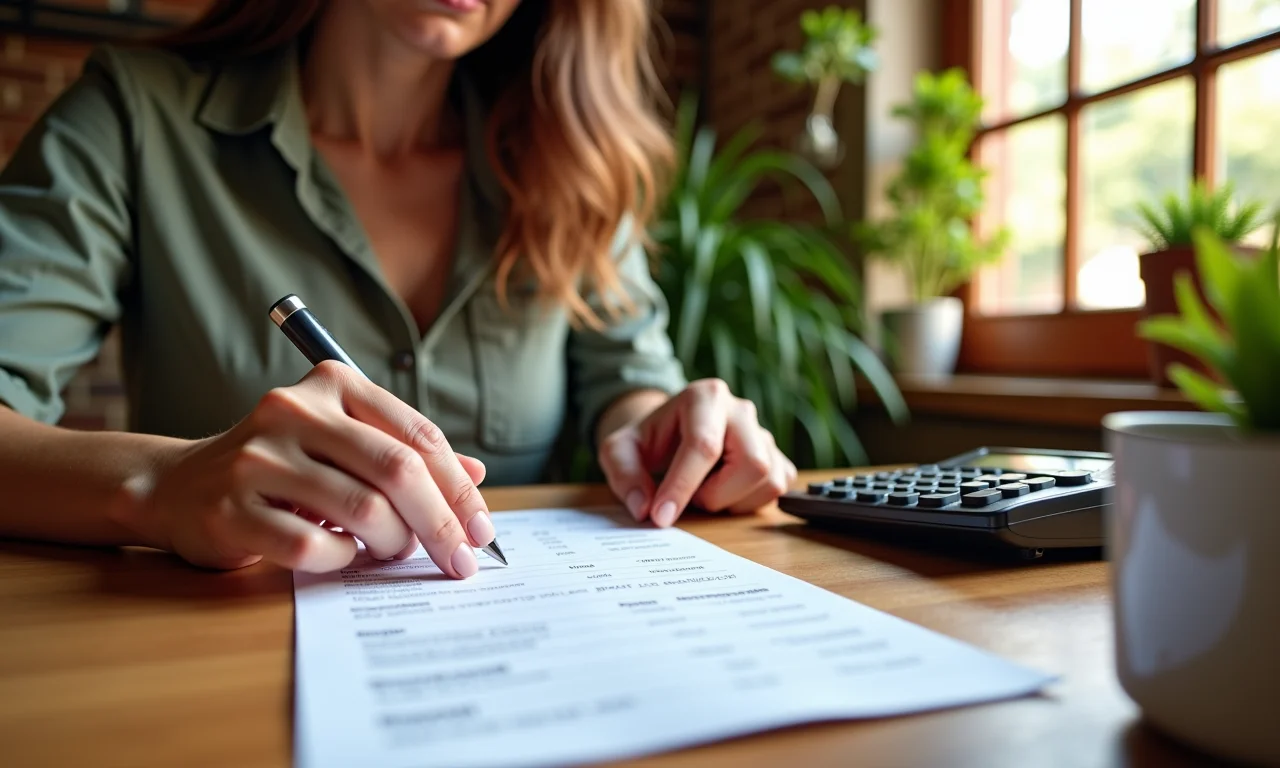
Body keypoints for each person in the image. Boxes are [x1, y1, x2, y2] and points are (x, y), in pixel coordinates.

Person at [0, 0, 796, 579]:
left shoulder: (569, 159)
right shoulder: (133, 117)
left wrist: (660, 428)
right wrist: (165, 485)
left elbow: (625, 381)